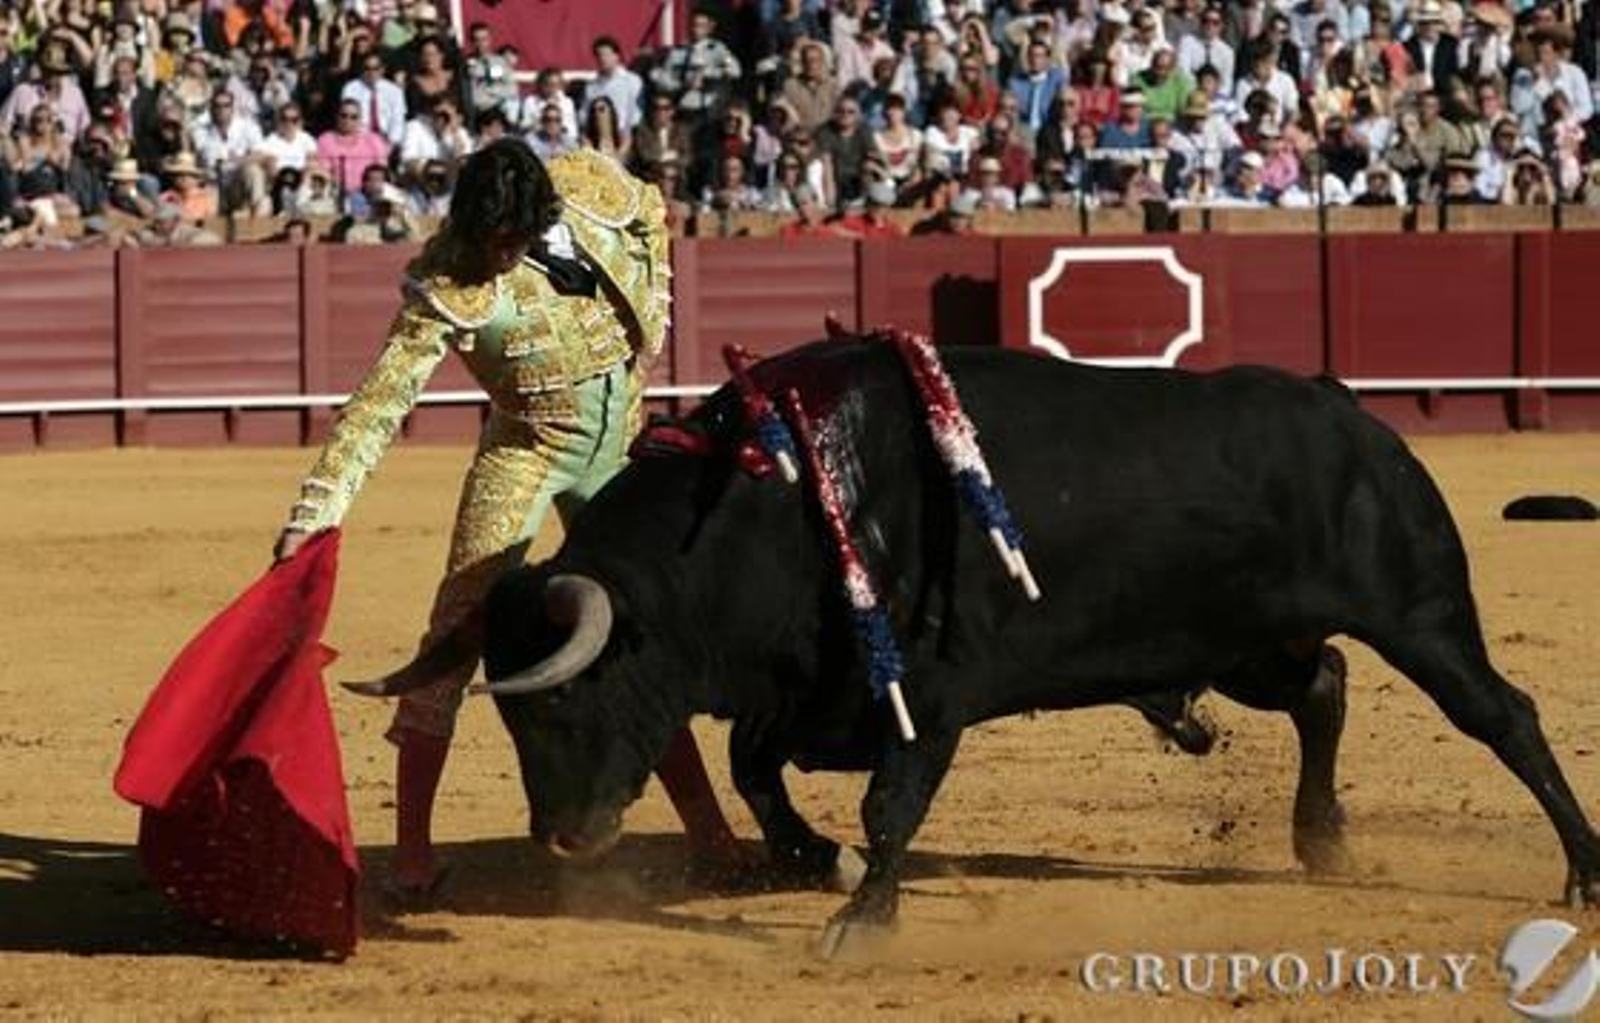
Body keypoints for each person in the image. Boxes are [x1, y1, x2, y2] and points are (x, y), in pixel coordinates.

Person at [273, 141, 742, 896]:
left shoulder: (588, 190)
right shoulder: (447, 281)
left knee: (642, 640)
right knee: (454, 634)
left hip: (619, 451)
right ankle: (413, 853)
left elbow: (651, 214)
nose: (496, 254)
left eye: (509, 239)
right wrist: (315, 511)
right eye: (488, 239)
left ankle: (712, 836)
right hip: (526, 453)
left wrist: (652, 320)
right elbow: (377, 408)